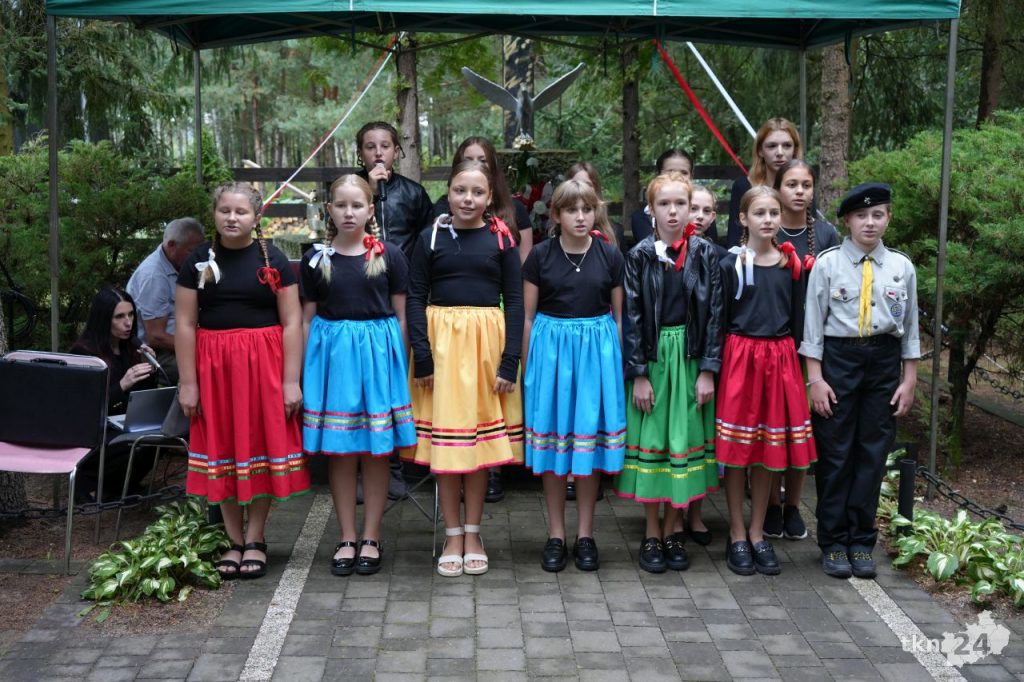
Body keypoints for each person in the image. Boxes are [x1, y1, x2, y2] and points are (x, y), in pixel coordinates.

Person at [176, 182, 310, 580]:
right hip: (214, 369)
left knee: (259, 445)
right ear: (214, 214)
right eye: (225, 211)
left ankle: (256, 538)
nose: (232, 218)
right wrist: (188, 383)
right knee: (224, 446)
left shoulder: (274, 259)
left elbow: (292, 322)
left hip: (264, 366)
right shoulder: (197, 260)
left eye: (241, 212)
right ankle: (233, 539)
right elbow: (184, 323)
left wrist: (291, 381)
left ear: (256, 217)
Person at [406, 160, 524, 577]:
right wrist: (422, 354)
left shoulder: (502, 239)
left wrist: (510, 360)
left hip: (485, 352)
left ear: (490, 197)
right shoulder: (430, 237)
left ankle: (473, 533)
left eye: (477, 192)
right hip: (441, 352)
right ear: (448, 193)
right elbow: (415, 296)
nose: (468, 199)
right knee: (448, 447)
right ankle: (452, 534)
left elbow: (515, 300)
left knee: (478, 449)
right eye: (460, 190)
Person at [800, 182, 919, 579]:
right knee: (836, 453)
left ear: (888, 218)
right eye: (862, 215)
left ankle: (861, 541)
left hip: (884, 361)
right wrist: (815, 379)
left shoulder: (901, 267)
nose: (870, 222)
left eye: (878, 215)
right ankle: (834, 541)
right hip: (839, 359)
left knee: (872, 453)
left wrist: (909, 379)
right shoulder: (828, 264)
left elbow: (910, 328)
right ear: (848, 221)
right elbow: (812, 327)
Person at [300, 175, 415, 577]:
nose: (349, 212)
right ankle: (347, 536)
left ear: (370, 210)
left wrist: (399, 366)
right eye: (341, 205)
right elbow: (307, 320)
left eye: (356, 205)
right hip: (336, 362)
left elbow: (401, 317)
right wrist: (307, 372)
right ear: (328, 210)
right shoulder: (316, 259)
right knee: (342, 451)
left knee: (376, 451)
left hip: (378, 360)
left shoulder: (390, 255)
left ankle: (371, 536)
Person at [614, 172, 724, 574]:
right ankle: (651, 532)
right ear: (651, 210)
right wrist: (639, 374)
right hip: (656, 358)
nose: (673, 211)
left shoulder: (705, 253)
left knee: (684, 439)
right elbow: (632, 316)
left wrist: (708, 369)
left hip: (690, 359)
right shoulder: (639, 255)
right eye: (664, 204)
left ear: (691, 208)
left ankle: (674, 529)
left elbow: (715, 314)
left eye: (681, 204)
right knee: (655, 441)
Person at [522, 179, 625, 572]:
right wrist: (529, 368)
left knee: (587, 447)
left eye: (587, 209)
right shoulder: (540, 256)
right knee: (553, 449)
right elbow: (528, 318)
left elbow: (618, 318)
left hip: (595, 357)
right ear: (556, 215)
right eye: (571, 210)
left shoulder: (610, 254)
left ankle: (585, 534)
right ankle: (555, 534)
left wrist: (616, 368)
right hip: (552, 355)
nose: (580, 217)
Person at [716, 186, 817, 576]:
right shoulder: (730, 264)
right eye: (759, 213)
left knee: (766, 451)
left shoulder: (790, 264)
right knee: (738, 451)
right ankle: (736, 533)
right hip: (740, 359)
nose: (769, 219)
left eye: (774, 212)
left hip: (779, 359)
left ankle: (758, 531)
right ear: (743, 219)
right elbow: (720, 319)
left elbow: (798, 321)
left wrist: (800, 371)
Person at [434, 136, 533, 503]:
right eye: (468, 159)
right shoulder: (436, 230)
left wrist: (511, 356)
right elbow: (421, 285)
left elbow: (519, 282)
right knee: (455, 410)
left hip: (492, 320)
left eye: (482, 161)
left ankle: (490, 473)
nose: (468, 197)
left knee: (486, 404)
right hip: (450, 328)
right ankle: (453, 507)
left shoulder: (509, 222)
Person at [761, 159, 841, 541]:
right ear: (778, 187)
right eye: (791, 184)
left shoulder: (825, 234)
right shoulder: (766, 228)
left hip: (812, 346)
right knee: (771, 425)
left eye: (806, 185)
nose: (799, 192)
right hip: (773, 341)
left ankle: (793, 504)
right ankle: (770, 504)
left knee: (800, 427)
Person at [356, 120, 435, 499]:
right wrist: (368, 192)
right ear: (360, 153)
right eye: (370, 147)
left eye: (385, 146)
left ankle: (396, 465)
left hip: (402, 294)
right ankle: (363, 464)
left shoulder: (414, 193)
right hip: (360, 293)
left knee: (396, 380)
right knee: (363, 386)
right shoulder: (350, 189)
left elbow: (428, 243)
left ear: (396, 151)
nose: (378, 153)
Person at [70, 286, 158, 501]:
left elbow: (142, 397)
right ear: (103, 320)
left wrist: (150, 369)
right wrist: (122, 385)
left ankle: (121, 486)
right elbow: (86, 409)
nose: (128, 323)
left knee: (163, 435)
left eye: (131, 315)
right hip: (95, 430)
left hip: (123, 422)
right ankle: (91, 483)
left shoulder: (131, 348)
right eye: (119, 317)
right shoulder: (84, 353)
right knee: (131, 442)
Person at [126, 217, 205, 384]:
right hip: (154, 353)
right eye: (191, 251)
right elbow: (156, 337)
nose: (198, 257)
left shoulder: (179, 265)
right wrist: (200, 347)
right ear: (171, 245)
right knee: (206, 368)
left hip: (179, 342)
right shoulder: (153, 276)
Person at [727, 118, 809, 248]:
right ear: (760, 150)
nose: (780, 153)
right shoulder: (744, 187)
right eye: (772, 146)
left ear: (795, 150)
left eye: (787, 145)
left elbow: (812, 232)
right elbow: (734, 241)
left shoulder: (803, 188)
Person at [630, 149, 720, 246]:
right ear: (659, 175)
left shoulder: (703, 214)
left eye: (684, 172)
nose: (677, 177)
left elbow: (713, 248)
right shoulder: (641, 218)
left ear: (691, 176)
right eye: (671, 172)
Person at [567, 162, 626, 252]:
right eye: (576, 184)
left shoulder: (616, 231)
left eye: (587, 185)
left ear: (596, 190)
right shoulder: (556, 232)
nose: (581, 190)